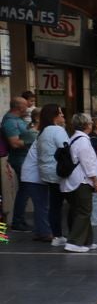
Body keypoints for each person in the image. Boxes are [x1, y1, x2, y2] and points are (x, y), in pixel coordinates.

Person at [59, 113, 97, 253]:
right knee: (84, 211)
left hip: (72, 181)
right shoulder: (83, 141)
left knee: (81, 211)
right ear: (87, 125)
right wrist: (95, 180)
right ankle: (74, 242)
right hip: (81, 181)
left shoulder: (74, 138)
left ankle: (86, 241)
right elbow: (88, 163)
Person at [35, 104, 69, 247]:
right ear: (54, 116)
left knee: (55, 205)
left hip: (47, 173)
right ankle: (75, 235)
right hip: (60, 172)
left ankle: (57, 235)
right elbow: (66, 149)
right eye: (60, 114)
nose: (63, 116)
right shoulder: (57, 130)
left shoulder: (42, 132)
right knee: (75, 204)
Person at [2, 95, 32, 228]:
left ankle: (19, 220)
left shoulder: (17, 120)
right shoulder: (10, 122)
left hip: (24, 158)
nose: (28, 107)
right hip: (20, 159)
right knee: (25, 190)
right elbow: (14, 143)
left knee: (25, 190)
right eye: (26, 105)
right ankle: (18, 221)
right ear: (19, 107)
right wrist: (31, 142)